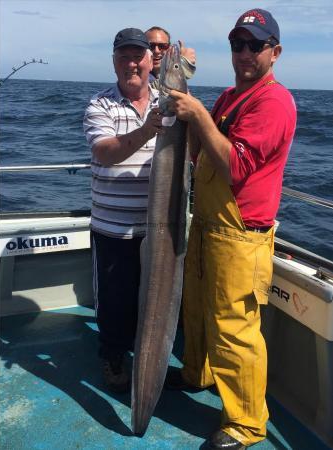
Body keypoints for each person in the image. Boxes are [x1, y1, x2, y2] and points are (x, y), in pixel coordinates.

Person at [165, 9, 297, 450]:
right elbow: (200, 151)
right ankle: (196, 373)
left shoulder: (274, 102)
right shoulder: (227, 98)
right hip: (205, 226)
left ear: (274, 53)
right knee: (198, 311)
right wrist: (181, 92)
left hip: (240, 238)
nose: (243, 53)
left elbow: (237, 165)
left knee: (235, 329)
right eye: (237, 44)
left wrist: (198, 112)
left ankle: (245, 424)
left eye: (254, 45)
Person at [83, 28, 163, 393]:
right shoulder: (100, 104)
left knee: (151, 300)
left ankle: (146, 356)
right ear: (114, 61)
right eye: (124, 57)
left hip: (159, 229)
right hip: (113, 228)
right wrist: (147, 131)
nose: (132, 63)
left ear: (150, 60)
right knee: (115, 301)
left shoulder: (167, 100)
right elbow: (105, 151)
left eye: (138, 56)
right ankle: (113, 354)